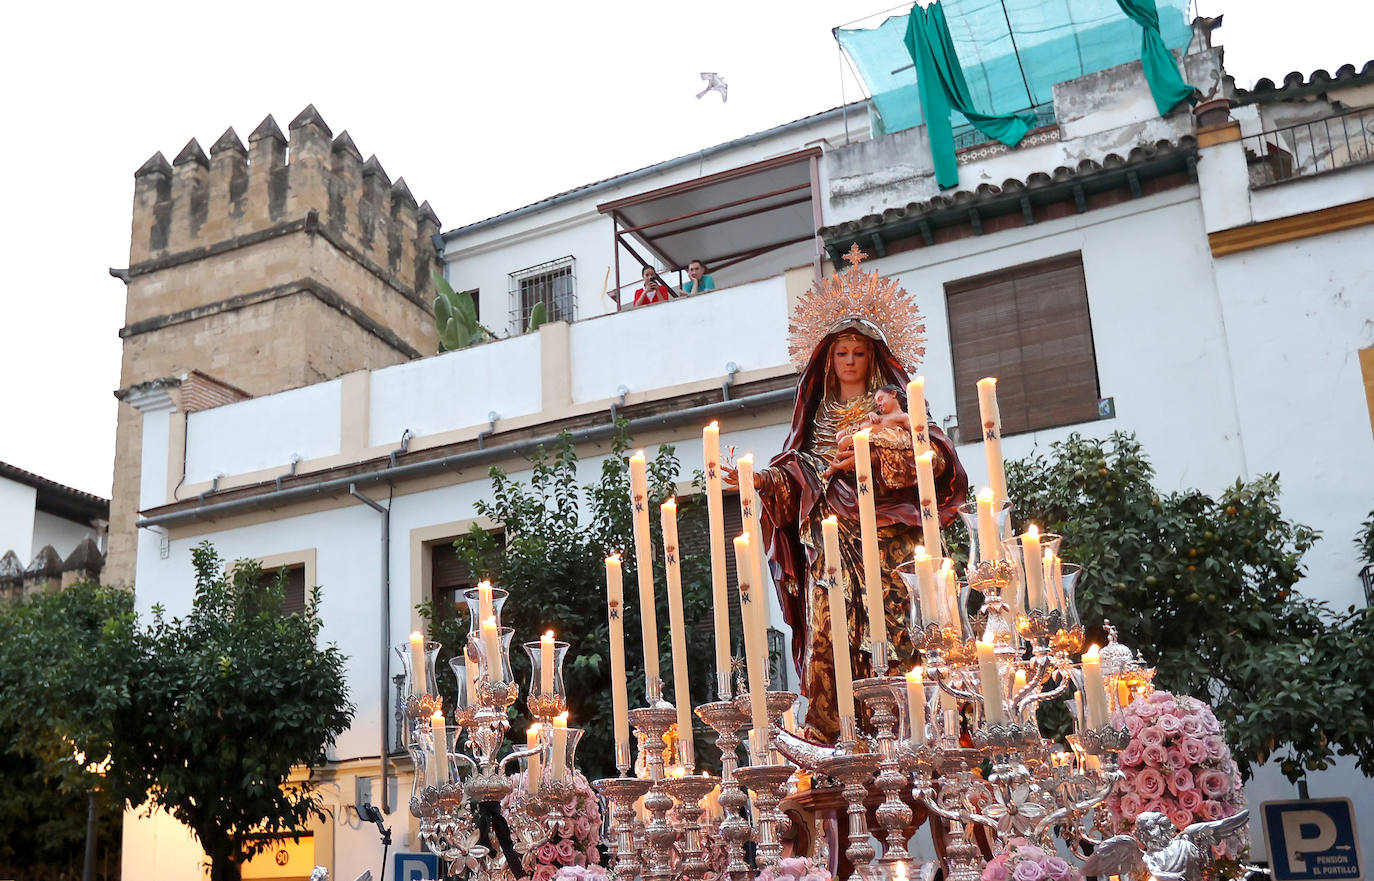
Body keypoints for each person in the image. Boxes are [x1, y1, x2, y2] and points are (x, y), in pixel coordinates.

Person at [724, 248, 967, 742]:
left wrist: (876, 451)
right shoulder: (815, 418)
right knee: (828, 630)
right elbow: (799, 474)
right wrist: (761, 482)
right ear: (828, 360)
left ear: (873, 356)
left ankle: (918, 728)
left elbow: (934, 460)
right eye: (841, 353)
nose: (850, 361)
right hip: (830, 541)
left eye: (858, 352)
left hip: (889, 541)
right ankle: (835, 732)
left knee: (907, 630)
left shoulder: (893, 407)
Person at [822, 385, 908, 479]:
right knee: (840, 436)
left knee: (844, 442)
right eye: (876, 403)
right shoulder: (880, 416)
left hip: (875, 441)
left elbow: (916, 434)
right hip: (859, 434)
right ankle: (839, 462)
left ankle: (836, 466)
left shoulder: (903, 416)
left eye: (880, 398)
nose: (878, 404)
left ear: (893, 394)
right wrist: (870, 415)